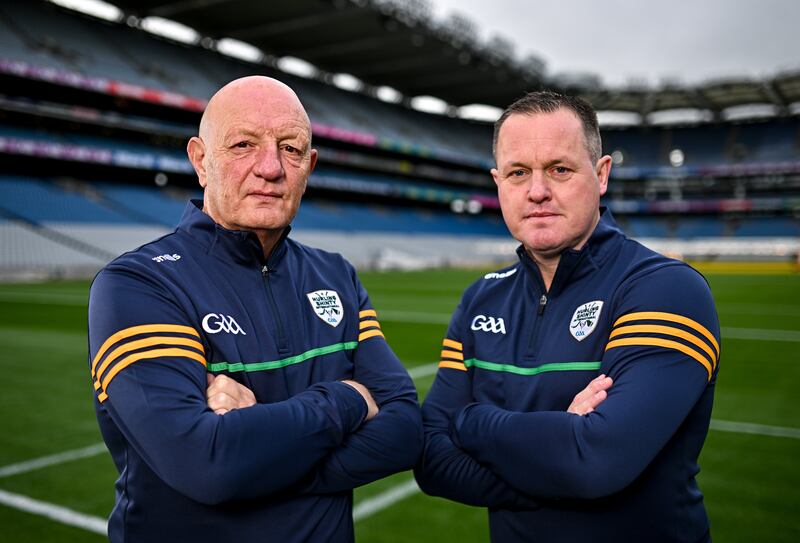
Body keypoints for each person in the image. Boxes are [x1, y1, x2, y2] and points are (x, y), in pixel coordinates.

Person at [87, 76, 423, 543]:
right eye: (244, 144)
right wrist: (349, 398)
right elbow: (206, 464)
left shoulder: (336, 275)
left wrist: (258, 457)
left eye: (291, 148)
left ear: (310, 165)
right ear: (201, 161)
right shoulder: (139, 283)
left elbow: (406, 429)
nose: (271, 168)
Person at [414, 91, 720, 542]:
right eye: (518, 173)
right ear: (498, 182)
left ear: (601, 176)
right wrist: (561, 451)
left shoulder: (665, 289)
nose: (537, 191)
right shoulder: (480, 299)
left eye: (559, 169)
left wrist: (472, 421)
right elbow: (430, 461)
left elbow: (597, 463)